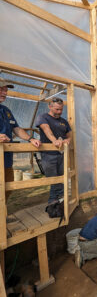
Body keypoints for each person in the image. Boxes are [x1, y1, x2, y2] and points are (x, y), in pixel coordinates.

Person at [0, 77, 41, 206]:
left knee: (8, 187)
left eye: (6, 90)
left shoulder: (6, 111)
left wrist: (31, 138)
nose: (5, 92)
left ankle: (2, 216)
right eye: (1, 89)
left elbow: (16, 128)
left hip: (6, 159)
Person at [35, 97, 72, 204]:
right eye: (57, 109)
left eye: (61, 109)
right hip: (48, 154)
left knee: (60, 178)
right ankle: (57, 201)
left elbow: (70, 135)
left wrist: (67, 140)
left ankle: (55, 202)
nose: (59, 112)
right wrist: (54, 141)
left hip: (61, 154)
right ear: (50, 106)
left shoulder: (64, 121)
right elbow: (46, 129)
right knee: (53, 178)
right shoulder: (43, 117)